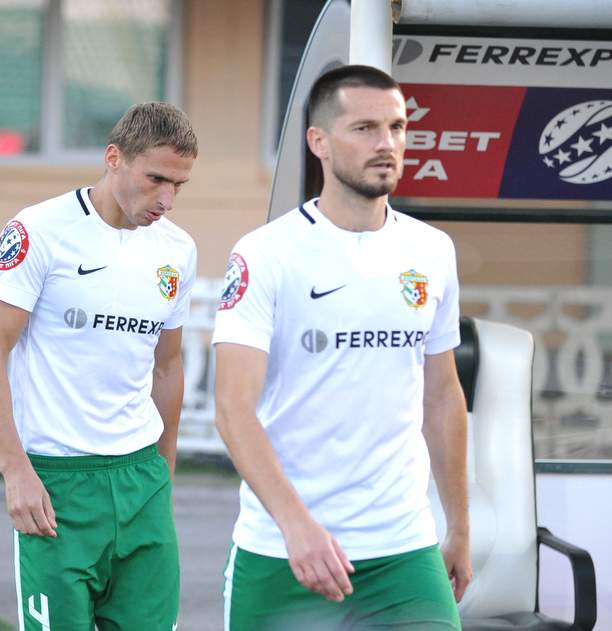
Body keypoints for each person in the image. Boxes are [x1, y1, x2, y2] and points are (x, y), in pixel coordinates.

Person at [211, 65, 471, 630]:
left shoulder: (432, 250)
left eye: (397, 128)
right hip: (285, 551)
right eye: (365, 128)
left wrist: (459, 527)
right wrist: (296, 526)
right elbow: (232, 408)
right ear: (319, 142)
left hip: (403, 549)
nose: (387, 144)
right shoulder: (265, 254)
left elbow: (442, 396)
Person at [0, 102, 198, 630]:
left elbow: (168, 367)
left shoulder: (178, 250)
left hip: (141, 478)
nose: (166, 199)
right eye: (156, 179)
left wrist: (163, 475)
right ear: (114, 158)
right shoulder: (39, 229)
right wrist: (15, 471)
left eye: (179, 185)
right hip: (57, 483)